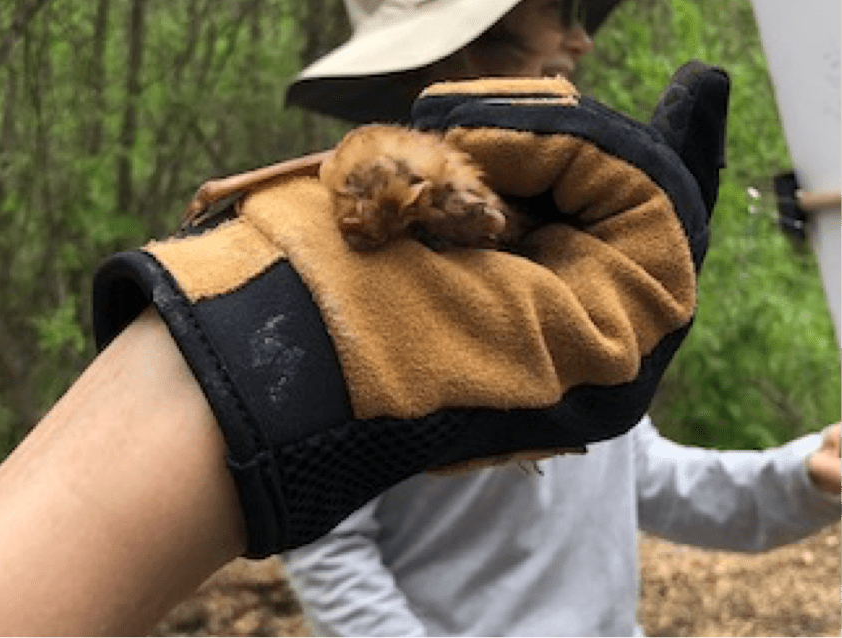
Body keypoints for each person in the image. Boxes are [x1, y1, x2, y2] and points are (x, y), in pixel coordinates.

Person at [279, 1, 842, 637]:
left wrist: (804, 476)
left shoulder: (571, 245)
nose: (582, 42)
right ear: (466, 48)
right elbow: (326, 540)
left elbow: (644, 477)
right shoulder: (356, 273)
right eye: (560, 9)